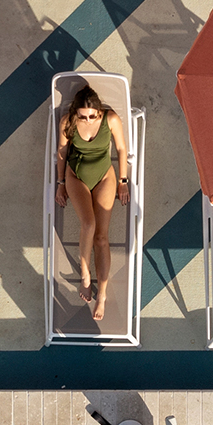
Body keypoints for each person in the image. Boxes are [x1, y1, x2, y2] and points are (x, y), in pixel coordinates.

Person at [55, 85, 129, 323]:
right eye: (83, 116)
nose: (88, 119)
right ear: (76, 111)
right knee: (88, 224)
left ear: (99, 110)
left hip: (104, 175)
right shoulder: (68, 122)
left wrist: (123, 181)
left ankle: (103, 296)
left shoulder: (111, 119)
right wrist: (59, 183)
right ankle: (85, 272)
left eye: (92, 115)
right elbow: (61, 152)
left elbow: (120, 148)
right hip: (76, 175)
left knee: (101, 237)